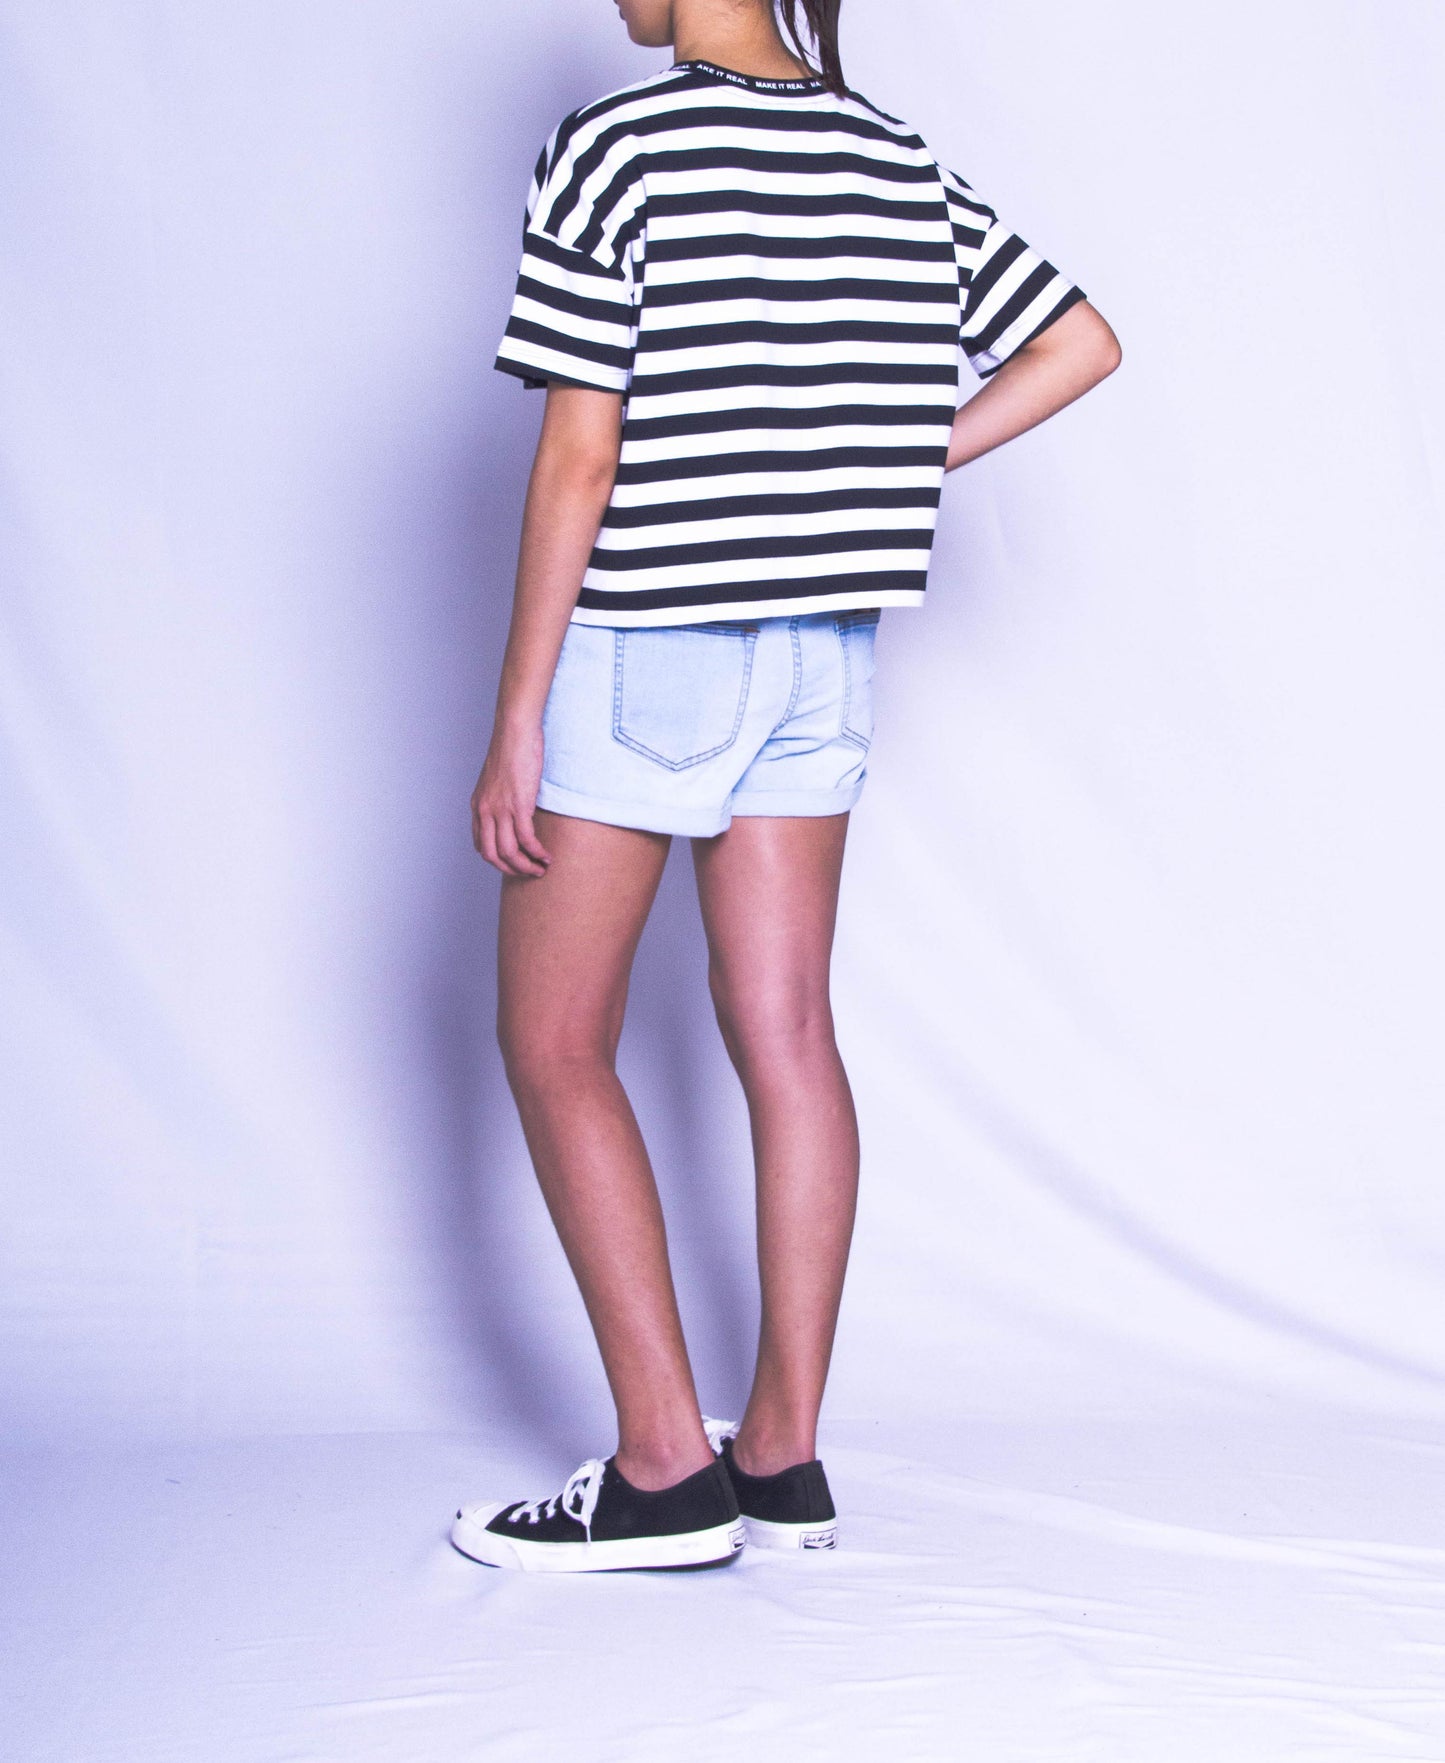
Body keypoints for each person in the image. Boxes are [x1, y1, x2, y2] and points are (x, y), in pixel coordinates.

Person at [450, 0, 1121, 1574]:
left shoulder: (621, 145)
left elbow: (580, 452)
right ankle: (782, 1455)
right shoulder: (886, 152)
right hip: (819, 645)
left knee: (554, 1041)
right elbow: (1079, 342)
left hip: (648, 639)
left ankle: (663, 1472)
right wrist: (884, 464)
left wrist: (517, 709)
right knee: (790, 1033)